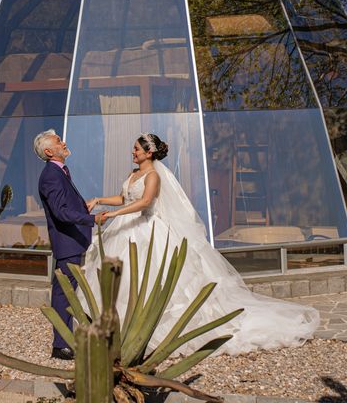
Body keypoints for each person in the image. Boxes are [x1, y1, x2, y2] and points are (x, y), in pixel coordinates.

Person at [82, 133, 319, 355]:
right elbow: (125, 197)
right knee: (125, 279)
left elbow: (145, 202)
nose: (132, 152)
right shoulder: (133, 173)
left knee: (149, 276)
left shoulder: (153, 176)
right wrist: (100, 200)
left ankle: (151, 329)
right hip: (127, 231)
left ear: (149, 153)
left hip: (146, 229)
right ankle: (122, 328)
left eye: (136, 149)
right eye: (133, 149)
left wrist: (114, 215)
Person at [34, 129, 107, 360]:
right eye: (58, 141)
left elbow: (66, 207)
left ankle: (68, 339)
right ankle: (61, 345)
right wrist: (91, 219)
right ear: (49, 151)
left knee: (68, 290)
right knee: (63, 292)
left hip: (73, 242)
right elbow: (60, 213)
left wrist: (83, 208)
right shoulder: (50, 176)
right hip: (67, 244)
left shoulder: (60, 171)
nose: (63, 142)